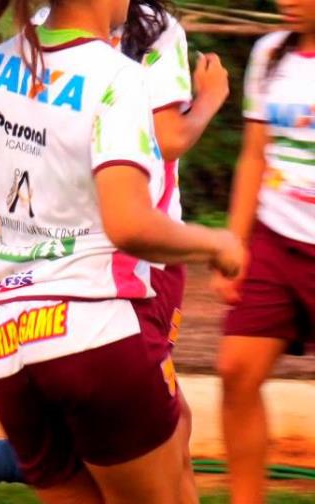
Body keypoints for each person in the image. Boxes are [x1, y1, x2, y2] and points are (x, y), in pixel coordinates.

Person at [0, 0, 245, 501]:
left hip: (10, 348)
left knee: (175, 427)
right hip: (99, 335)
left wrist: (23, 274)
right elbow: (129, 224)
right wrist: (217, 243)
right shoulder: (118, 75)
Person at [215, 0, 315, 502]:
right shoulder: (269, 52)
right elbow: (254, 154)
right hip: (274, 238)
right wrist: (235, 244)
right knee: (236, 370)